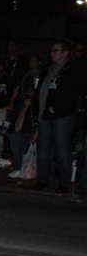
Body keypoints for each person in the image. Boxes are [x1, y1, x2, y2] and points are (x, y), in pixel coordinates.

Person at [33, 39, 87, 193]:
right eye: (52, 50)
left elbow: (73, 94)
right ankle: (42, 180)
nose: (52, 53)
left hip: (63, 116)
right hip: (45, 115)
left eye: (56, 50)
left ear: (65, 53)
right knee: (44, 148)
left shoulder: (72, 70)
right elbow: (41, 89)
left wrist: (57, 107)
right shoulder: (48, 69)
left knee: (62, 148)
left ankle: (64, 183)